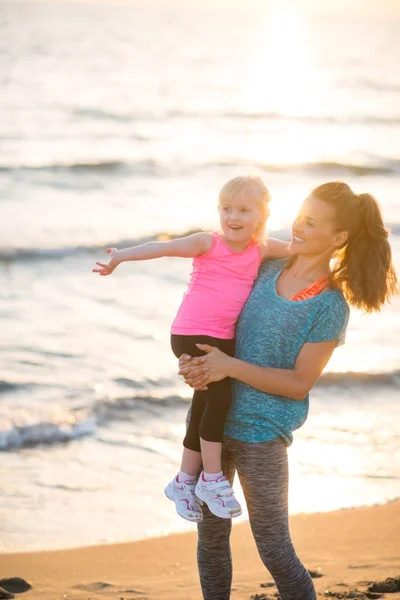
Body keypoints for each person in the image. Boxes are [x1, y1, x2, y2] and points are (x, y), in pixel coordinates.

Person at [178, 181, 398, 600]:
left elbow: (299, 384)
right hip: (211, 421)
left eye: (311, 223)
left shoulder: (329, 305)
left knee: (274, 548)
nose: (297, 226)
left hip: (262, 432)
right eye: (300, 215)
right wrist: (194, 362)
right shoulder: (263, 266)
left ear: (339, 238)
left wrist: (228, 367)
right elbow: (210, 319)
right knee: (209, 539)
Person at [92, 175, 289, 522]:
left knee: (203, 402)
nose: (233, 217)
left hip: (223, 340)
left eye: (244, 210)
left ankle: (184, 480)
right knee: (219, 399)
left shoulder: (261, 248)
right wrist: (120, 256)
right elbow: (163, 247)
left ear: (262, 214)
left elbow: (298, 249)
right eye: (226, 209)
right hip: (191, 333)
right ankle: (211, 479)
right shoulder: (207, 243)